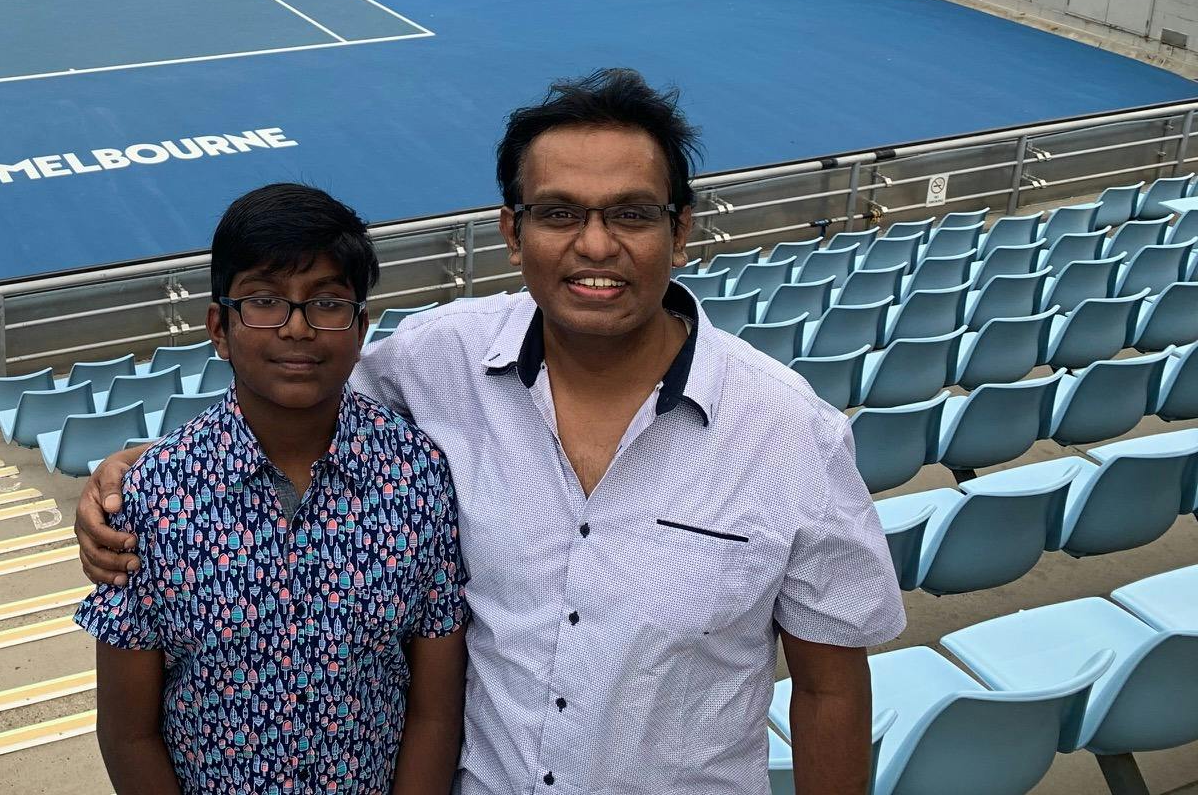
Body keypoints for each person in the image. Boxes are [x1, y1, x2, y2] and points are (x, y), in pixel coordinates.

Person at [80, 70, 905, 795]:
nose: (595, 245)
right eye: (558, 213)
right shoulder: (441, 359)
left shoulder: (791, 433)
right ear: (512, 233)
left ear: (680, 230)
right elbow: (292, 396)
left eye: (631, 213)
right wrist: (138, 474)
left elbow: (831, 688)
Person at [75, 182, 468, 795]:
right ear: (219, 328)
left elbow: (434, 710)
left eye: (327, 302)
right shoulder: (151, 499)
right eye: (263, 300)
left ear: (361, 326)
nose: (296, 328)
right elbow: (128, 733)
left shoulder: (416, 476)